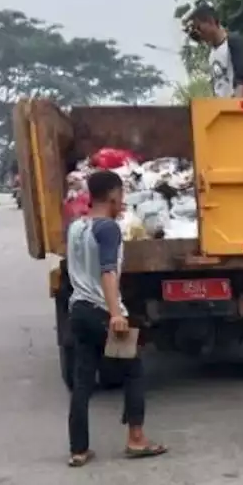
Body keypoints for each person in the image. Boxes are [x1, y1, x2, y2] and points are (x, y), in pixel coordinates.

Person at [65, 170, 167, 467]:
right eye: (121, 194)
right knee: (133, 369)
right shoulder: (108, 228)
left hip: (79, 310)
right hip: (101, 310)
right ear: (111, 195)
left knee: (82, 380)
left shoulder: (75, 227)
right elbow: (108, 272)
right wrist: (115, 314)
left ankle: (79, 449)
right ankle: (136, 439)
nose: (122, 200)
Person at [187, 4, 243, 99]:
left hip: (235, 104)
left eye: (199, 28)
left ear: (211, 21)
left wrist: (237, 107)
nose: (198, 33)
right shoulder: (212, 54)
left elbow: (242, 79)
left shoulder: (233, 42)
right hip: (221, 107)